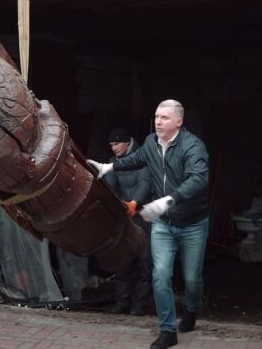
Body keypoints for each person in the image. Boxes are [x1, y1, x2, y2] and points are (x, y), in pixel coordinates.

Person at [88, 100, 210, 349]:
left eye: (164, 117)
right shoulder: (151, 144)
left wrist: (168, 200)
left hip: (192, 224)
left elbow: (198, 180)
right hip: (164, 224)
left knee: (191, 279)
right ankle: (168, 330)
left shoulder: (193, 147)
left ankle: (192, 309)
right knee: (160, 274)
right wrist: (108, 166)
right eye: (156, 116)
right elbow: (135, 159)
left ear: (179, 122)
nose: (158, 121)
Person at [101, 128, 153, 315]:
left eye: (116, 144)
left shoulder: (142, 159)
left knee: (144, 262)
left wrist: (133, 203)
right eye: (111, 145)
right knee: (123, 261)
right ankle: (122, 303)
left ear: (126, 142)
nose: (113, 148)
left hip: (145, 216)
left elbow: (145, 184)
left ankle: (138, 306)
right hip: (126, 217)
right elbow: (111, 187)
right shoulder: (114, 162)